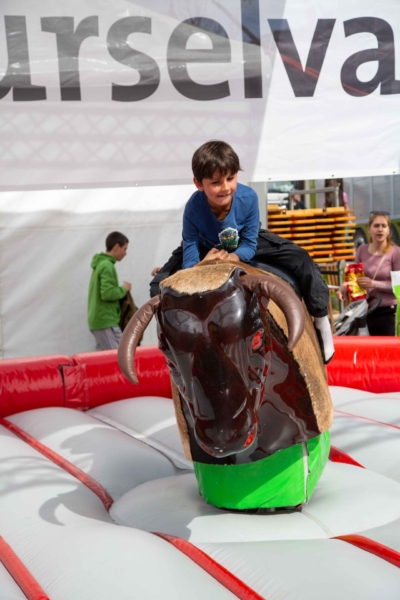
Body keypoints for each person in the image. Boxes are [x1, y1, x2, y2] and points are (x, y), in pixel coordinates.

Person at [150, 140, 334, 362]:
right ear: (198, 183)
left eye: (230, 178)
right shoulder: (192, 208)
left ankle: (321, 320)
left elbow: (249, 243)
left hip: (244, 240)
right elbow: (189, 256)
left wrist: (234, 257)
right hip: (205, 246)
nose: (225, 187)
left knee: (301, 258)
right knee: (158, 284)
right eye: (216, 183)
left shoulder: (249, 197)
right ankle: (174, 343)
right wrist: (203, 264)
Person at [337, 211, 400, 335]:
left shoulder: (395, 252)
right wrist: (344, 286)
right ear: (369, 229)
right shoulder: (362, 250)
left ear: (389, 230)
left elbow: (398, 287)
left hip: (388, 312)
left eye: (384, 226)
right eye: (376, 226)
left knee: (385, 347)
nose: (380, 229)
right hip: (365, 310)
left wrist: (374, 284)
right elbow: (354, 277)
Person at [88, 231, 131, 350]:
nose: (125, 253)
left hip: (101, 320)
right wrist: (124, 289)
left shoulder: (101, 264)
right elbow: (107, 293)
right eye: (125, 249)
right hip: (105, 321)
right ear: (116, 247)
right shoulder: (107, 265)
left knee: (103, 357)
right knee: (118, 355)